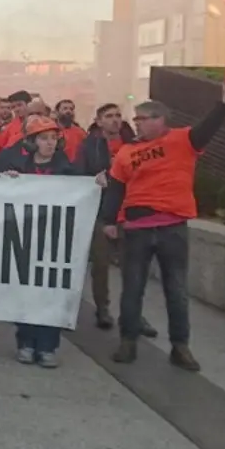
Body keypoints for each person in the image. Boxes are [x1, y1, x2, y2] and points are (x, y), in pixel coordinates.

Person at [103, 82, 225, 372]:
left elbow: (209, 127)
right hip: (136, 228)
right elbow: (116, 188)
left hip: (172, 227)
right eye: (136, 119)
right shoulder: (127, 152)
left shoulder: (184, 140)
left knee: (176, 289)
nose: (136, 124)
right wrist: (110, 221)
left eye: (142, 119)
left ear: (159, 119)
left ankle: (180, 346)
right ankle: (128, 340)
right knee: (132, 288)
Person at [0, 116, 76, 368]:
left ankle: (48, 346)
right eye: (43, 138)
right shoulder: (18, 167)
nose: (50, 143)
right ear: (31, 142)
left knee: (52, 294)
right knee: (26, 293)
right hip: (25, 239)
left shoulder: (69, 170)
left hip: (56, 241)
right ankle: (26, 343)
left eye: (53, 138)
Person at [75, 103, 142, 331]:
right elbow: (78, 175)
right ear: (99, 120)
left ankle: (134, 313)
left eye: (118, 116)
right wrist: (94, 178)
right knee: (101, 264)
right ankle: (102, 308)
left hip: (131, 211)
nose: (115, 120)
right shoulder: (89, 146)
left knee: (132, 266)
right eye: (109, 116)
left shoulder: (134, 145)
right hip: (101, 211)